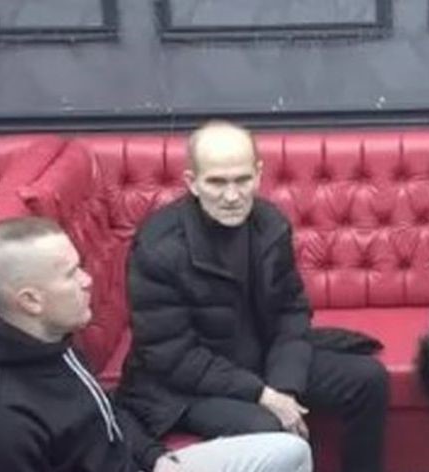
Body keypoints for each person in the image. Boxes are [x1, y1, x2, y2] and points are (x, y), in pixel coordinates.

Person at [119, 120, 388, 472]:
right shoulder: (159, 248)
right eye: (217, 182)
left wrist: (285, 385)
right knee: (272, 428)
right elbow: (173, 357)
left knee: (368, 380)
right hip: (181, 389)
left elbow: (291, 311)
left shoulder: (270, 224)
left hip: (257, 361)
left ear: (259, 175)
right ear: (192, 182)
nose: (232, 196)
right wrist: (263, 395)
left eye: (242, 180)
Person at [0, 216, 312, 472]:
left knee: (291, 451)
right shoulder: (12, 421)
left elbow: (106, 413)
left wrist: (155, 457)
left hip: (145, 465)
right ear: (31, 301)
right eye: (70, 274)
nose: (87, 280)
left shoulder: (53, 343)